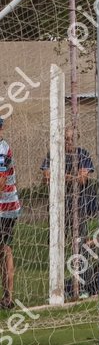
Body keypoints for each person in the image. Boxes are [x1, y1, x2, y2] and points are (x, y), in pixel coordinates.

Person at [41, 128, 96, 296]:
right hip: (57, 208)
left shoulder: (83, 154)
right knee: (55, 246)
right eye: (66, 139)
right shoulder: (53, 155)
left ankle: (82, 286)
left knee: (80, 245)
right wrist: (70, 177)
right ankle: (56, 289)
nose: (68, 142)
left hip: (78, 207)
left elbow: (82, 179)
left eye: (71, 139)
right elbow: (46, 178)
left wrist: (58, 175)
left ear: (77, 139)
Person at [0, 118, 21, 309]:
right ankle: (7, 298)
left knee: (5, 250)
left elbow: (1, 181)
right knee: (4, 249)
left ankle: (8, 297)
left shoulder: (2, 149)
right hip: (9, 206)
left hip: (4, 208)